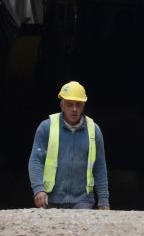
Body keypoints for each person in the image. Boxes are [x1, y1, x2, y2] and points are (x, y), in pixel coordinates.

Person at [27, 80, 110, 210]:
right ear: (62, 105)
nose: (74, 109)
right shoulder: (46, 127)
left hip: (83, 200)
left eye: (78, 104)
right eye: (69, 105)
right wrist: (38, 189)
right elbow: (36, 160)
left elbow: (99, 167)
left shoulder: (94, 130)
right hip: (50, 199)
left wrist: (104, 201)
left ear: (83, 106)